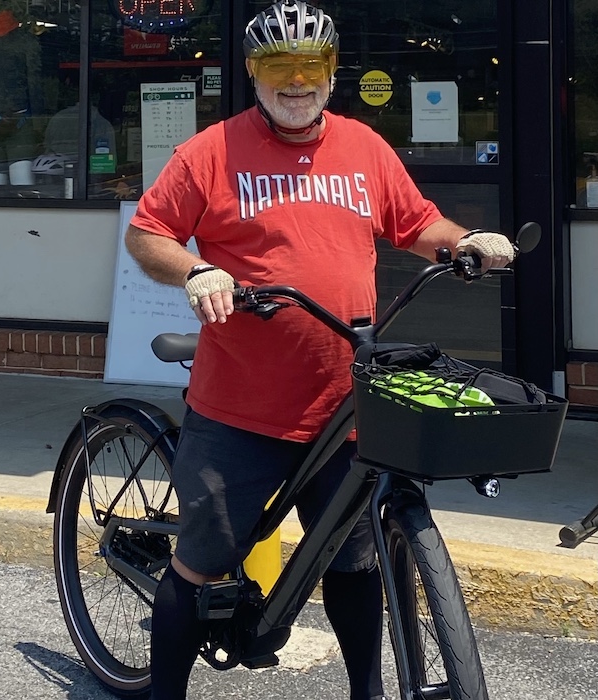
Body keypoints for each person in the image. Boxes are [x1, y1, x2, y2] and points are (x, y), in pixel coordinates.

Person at [125, 3, 514, 699]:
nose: (296, 82)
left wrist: (462, 244)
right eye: (279, 67)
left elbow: (416, 222)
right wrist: (197, 271)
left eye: (311, 67)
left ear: (332, 72)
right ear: (254, 73)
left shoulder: (363, 147)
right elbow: (147, 234)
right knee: (203, 559)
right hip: (239, 405)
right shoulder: (210, 150)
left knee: (354, 560)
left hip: (344, 403)